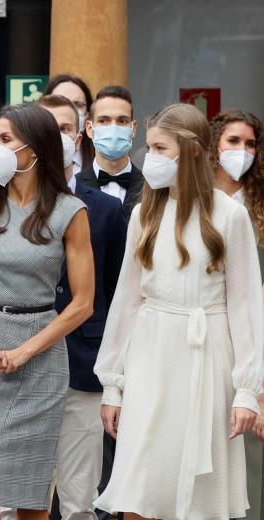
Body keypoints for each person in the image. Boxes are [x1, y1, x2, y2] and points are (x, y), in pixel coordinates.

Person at [94, 103, 263, 520]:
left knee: (198, 496)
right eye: (148, 147)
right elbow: (127, 302)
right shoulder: (143, 214)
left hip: (206, 356)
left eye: (159, 147)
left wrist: (247, 390)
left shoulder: (231, 215)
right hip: (150, 355)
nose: (148, 157)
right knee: (138, 485)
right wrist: (113, 384)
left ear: (188, 152)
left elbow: (245, 306)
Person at [0, 103, 94, 520]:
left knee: (30, 495)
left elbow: (83, 302)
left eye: (5, 139)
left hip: (41, 356)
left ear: (36, 148)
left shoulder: (69, 212)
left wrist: (23, 352)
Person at [38, 94, 127, 520]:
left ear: (80, 134)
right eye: (48, 128)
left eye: (66, 128)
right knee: (15, 497)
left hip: (85, 363)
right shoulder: (7, 203)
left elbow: (115, 293)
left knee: (79, 500)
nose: (58, 137)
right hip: (24, 363)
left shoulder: (108, 210)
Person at [209, 109, 264, 520]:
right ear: (213, 146)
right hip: (207, 348)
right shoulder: (194, 205)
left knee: (251, 476)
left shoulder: (258, 211)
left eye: (250, 144)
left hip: (253, 355)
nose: (242, 151)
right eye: (233, 141)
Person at [78, 85, 144, 219]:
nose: (113, 128)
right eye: (103, 121)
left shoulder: (151, 188)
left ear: (133, 128)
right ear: (89, 129)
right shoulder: (73, 187)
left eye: (122, 121)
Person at [45, 74, 95, 174]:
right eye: (60, 102)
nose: (70, 110)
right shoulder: (30, 160)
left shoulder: (99, 163)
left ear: (87, 116)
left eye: (78, 104)